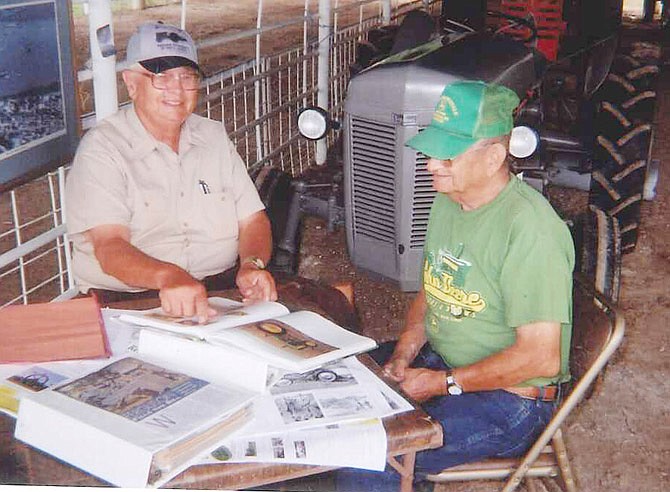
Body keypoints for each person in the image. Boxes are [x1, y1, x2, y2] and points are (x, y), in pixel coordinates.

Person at [336, 80, 575, 491]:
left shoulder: (532, 231)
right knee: (333, 381)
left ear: (494, 157)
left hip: (510, 400)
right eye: (432, 150)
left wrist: (443, 383)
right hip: (445, 364)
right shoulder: (447, 203)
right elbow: (433, 289)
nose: (431, 164)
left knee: (369, 455)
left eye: (448, 154)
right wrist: (405, 352)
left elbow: (541, 359)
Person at [65, 21, 277, 323]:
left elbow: (253, 219)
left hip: (222, 291)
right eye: (162, 77)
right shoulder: (103, 149)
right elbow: (109, 247)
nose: (177, 90)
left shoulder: (213, 136)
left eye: (187, 77)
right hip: (132, 299)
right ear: (131, 83)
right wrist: (168, 276)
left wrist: (252, 265)